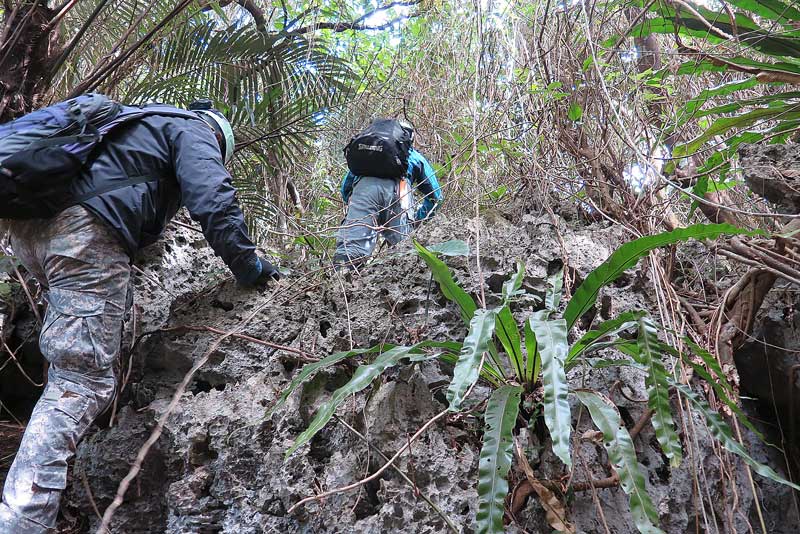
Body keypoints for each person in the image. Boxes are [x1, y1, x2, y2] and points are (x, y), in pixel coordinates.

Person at [0, 98, 279, 533]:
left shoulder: (134, 123)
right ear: (219, 138)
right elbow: (212, 198)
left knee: (76, 362)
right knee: (80, 381)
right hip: (82, 234)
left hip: (30, 233)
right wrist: (251, 268)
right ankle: (22, 522)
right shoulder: (191, 129)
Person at [334, 119, 442, 267]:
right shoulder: (414, 156)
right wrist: (418, 219)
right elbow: (435, 196)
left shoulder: (367, 156)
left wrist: (356, 206)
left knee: (351, 249)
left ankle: (342, 282)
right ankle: (399, 282)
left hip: (364, 191)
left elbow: (346, 189)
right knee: (403, 251)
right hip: (400, 193)